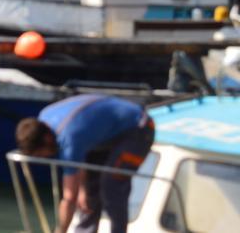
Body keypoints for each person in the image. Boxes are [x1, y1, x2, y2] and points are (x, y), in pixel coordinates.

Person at [16, 94, 155, 233]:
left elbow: (69, 198)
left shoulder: (68, 140)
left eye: (41, 154)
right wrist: (83, 190)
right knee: (88, 193)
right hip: (106, 134)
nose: (45, 158)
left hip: (139, 128)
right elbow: (79, 162)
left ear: (46, 139)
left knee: (112, 185)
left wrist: (61, 230)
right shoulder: (44, 118)